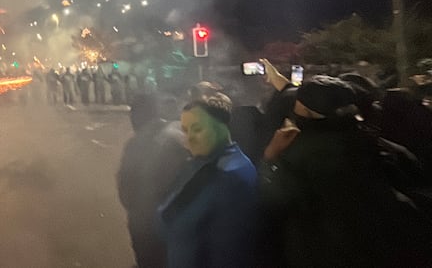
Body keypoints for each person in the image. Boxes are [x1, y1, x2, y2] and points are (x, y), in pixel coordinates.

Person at [259, 74, 432, 267]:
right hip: (388, 249)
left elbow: (274, 200)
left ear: (306, 112)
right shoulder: (374, 143)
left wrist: (269, 157)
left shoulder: (296, 154)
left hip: (327, 254)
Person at [157, 93, 259, 268]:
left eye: (197, 129)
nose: (189, 138)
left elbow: (228, 253)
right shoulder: (200, 164)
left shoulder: (229, 175)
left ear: (221, 127)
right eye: (185, 130)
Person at [117, 94, 188, 268]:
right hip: (180, 224)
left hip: (145, 225)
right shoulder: (179, 134)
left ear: (138, 117)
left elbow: (125, 189)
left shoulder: (135, 144)